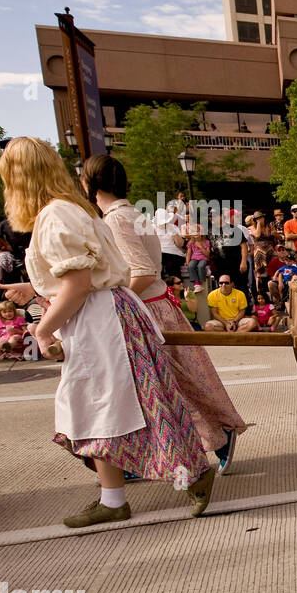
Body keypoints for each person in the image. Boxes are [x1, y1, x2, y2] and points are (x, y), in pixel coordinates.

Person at [0, 138, 216, 527]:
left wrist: (43, 330)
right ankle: (119, 496)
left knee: (113, 405)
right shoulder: (71, 210)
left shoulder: (55, 215)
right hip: (103, 315)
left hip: (100, 320)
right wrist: (37, 293)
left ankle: (181, 477)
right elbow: (84, 277)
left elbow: (80, 282)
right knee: (106, 406)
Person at [87, 155, 247, 475]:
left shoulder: (117, 220)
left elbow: (143, 272)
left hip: (144, 312)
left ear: (89, 184)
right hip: (157, 306)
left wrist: (116, 306)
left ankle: (206, 438)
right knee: (177, 383)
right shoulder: (134, 214)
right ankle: (147, 455)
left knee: (160, 389)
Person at [155, 194, 187, 280]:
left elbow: (181, 244)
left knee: (171, 265)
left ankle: (177, 285)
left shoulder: (173, 227)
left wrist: (174, 234)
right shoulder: (152, 228)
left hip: (174, 254)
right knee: (158, 263)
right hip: (159, 254)